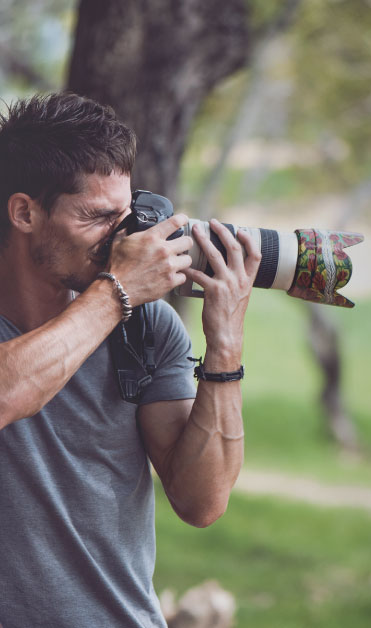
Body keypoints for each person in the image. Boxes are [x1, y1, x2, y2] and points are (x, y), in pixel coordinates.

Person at [0, 93, 259, 626]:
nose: (120, 237)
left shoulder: (144, 325)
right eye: (96, 217)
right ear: (25, 212)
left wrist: (225, 341)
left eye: (123, 215)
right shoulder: (118, 300)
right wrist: (117, 291)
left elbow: (202, 501)